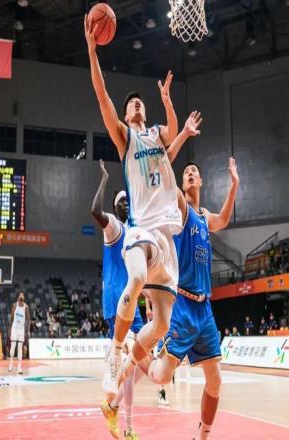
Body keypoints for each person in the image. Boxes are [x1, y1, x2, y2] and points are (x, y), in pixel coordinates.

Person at [85, 14, 204, 403]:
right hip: (142, 230)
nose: (136, 103)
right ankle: (114, 354)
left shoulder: (156, 136)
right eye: (130, 103)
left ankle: (121, 376)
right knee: (135, 278)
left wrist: (168, 103)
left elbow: (172, 134)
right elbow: (102, 97)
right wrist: (92, 51)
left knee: (161, 325)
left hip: (167, 238)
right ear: (126, 115)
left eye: (139, 101)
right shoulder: (126, 138)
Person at [145, 158, 239, 440]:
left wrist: (235, 184)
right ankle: (139, 354)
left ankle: (202, 436)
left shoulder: (205, 216)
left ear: (200, 181)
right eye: (186, 172)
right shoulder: (181, 209)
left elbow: (223, 220)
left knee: (216, 380)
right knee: (162, 376)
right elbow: (170, 186)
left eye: (194, 172)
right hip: (182, 305)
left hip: (204, 308)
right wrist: (161, 155)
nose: (189, 174)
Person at [91, 160, 146, 440]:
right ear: (115, 209)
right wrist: (104, 179)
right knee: (132, 361)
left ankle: (111, 406)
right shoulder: (114, 227)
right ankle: (129, 427)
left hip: (133, 300)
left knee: (145, 361)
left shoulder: (135, 233)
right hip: (116, 301)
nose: (126, 204)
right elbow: (94, 211)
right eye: (121, 202)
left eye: (128, 201)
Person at [8, 292, 30, 375]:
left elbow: (28, 319)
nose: (21, 296)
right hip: (14, 328)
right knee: (12, 347)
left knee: (20, 349)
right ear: (18, 297)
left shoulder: (26, 307)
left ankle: (19, 368)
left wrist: (27, 330)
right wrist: (9, 329)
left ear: (24, 298)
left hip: (21, 329)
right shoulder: (14, 305)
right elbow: (11, 317)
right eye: (20, 295)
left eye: (22, 295)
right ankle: (10, 364)